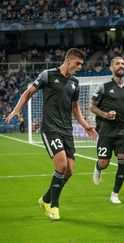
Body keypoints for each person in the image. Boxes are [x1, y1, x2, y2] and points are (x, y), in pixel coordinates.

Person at [5, 48, 98, 220]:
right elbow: (28, 92)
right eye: (77, 64)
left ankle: (45, 199)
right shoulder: (47, 75)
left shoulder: (75, 83)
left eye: (81, 65)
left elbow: (75, 109)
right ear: (68, 61)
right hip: (50, 129)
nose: (79, 67)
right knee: (61, 165)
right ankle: (53, 205)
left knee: (69, 171)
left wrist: (86, 127)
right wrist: (17, 110)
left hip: (66, 131)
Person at [90, 57, 124, 204]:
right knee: (104, 162)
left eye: (123, 63)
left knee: (123, 159)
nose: (121, 66)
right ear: (111, 68)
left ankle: (115, 194)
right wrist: (105, 115)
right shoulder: (103, 87)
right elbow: (92, 107)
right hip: (106, 130)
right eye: (117, 63)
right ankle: (98, 167)